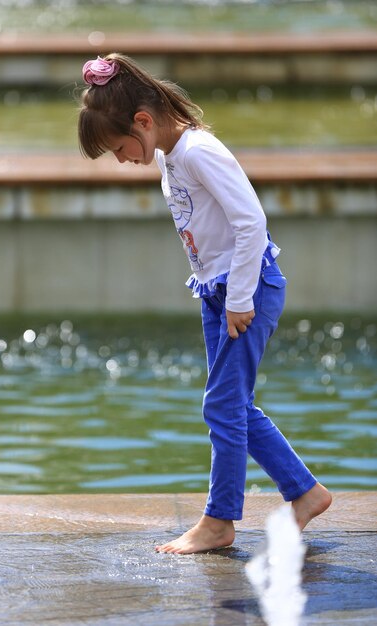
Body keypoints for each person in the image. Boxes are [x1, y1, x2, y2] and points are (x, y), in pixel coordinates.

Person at [78, 53, 332, 555]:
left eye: (119, 147)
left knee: (221, 404)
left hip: (247, 289)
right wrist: (217, 292)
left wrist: (238, 299)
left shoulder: (197, 151)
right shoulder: (170, 156)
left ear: (143, 122)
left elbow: (251, 223)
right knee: (232, 405)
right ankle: (305, 493)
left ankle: (219, 521)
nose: (123, 159)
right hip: (217, 291)